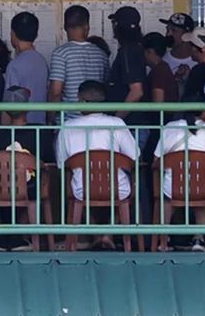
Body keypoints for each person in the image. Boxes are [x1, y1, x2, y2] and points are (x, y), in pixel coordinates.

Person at [55, 81, 141, 245]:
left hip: (82, 189)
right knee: (121, 194)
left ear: (83, 100)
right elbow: (135, 156)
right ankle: (108, 233)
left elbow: (61, 164)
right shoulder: (116, 124)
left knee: (78, 190)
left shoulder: (68, 126)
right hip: (118, 189)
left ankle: (95, 234)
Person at [155, 107, 205, 251]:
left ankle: (164, 239)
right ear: (204, 111)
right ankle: (199, 238)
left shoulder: (169, 128)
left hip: (174, 188)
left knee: (167, 195)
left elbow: (156, 159)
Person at [49, 5, 111, 114]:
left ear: (64, 27)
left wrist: (50, 120)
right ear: (87, 27)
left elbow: (55, 93)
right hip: (97, 121)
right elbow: (105, 88)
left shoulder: (60, 54)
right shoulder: (101, 54)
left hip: (69, 123)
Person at [5, 12, 51, 121]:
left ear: (13, 34)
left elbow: (9, 103)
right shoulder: (42, 62)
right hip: (40, 127)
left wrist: (4, 131)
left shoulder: (14, 66)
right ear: (36, 35)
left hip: (21, 127)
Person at [159, 13, 200, 84]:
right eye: (167, 30)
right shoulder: (161, 59)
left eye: (174, 30)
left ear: (187, 34)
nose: (168, 34)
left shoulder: (198, 61)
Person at [140, 33, 180, 105]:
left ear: (149, 52)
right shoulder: (161, 68)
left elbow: (158, 103)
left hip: (162, 116)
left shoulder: (159, 71)